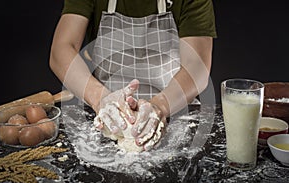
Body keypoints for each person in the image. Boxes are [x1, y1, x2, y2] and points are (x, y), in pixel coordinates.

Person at [49, 0, 217, 150]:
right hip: (107, 120)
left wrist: (160, 107)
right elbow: (61, 50)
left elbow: (197, 67)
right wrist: (101, 99)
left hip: (177, 114)